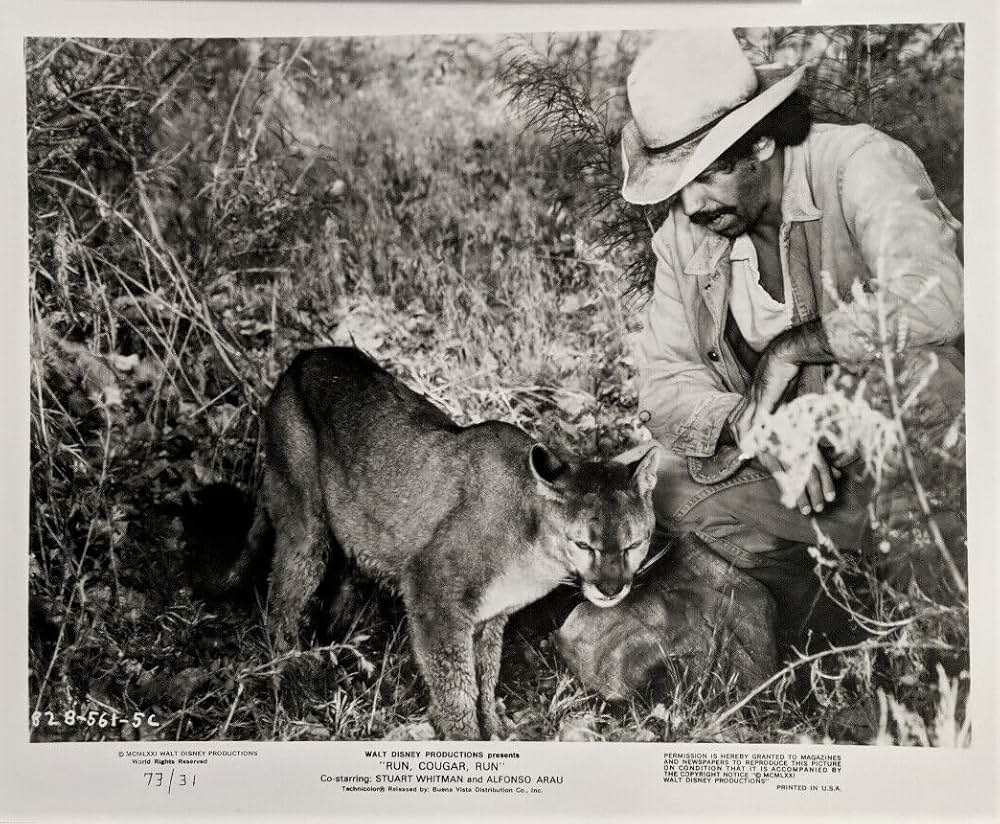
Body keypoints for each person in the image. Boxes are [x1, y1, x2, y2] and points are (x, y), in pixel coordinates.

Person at [556, 29, 965, 699]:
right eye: (678, 183)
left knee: (928, 384)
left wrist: (793, 349)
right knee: (664, 483)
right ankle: (825, 626)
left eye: (708, 172)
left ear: (763, 143)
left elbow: (941, 299)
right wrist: (762, 430)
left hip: (912, 473)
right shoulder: (686, 236)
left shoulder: (858, 163)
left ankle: (931, 625)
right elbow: (664, 385)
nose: (691, 205)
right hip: (805, 492)